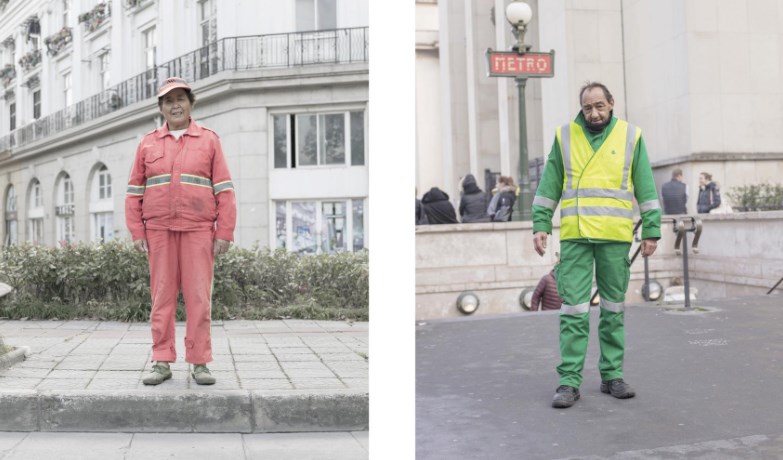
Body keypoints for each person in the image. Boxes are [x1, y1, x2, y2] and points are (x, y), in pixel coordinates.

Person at [531, 82, 661, 409]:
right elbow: (549, 185)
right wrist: (541, 224)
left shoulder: (632, 136)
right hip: (576, 237)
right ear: (581, 108)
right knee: (573, 309)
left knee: (613, 309)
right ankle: (569, 382)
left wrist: (651, 230)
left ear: (612, 104)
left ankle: (612, 375)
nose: (594, 113)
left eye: (600, 106)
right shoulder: (564, 136)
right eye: (588, 107)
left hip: (615, 236)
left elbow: (646, 184)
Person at [126, 77, 237, 386]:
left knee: (199, 299)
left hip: (198, 230)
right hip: (159, 230)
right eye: (168, 100)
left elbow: (225, 189)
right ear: (161, 108)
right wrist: (137, 231)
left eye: (181, 98)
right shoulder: (148, 143)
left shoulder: (209, 140)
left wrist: (224, 231)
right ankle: (162, 361)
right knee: (161, 298)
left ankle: (200, 362)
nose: (175, 104)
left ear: (191, 103)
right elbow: (134, 191)